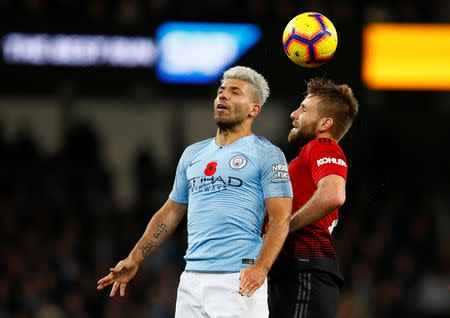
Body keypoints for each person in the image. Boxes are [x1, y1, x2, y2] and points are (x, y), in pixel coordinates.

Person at [97, 66, 293, 318]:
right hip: (192, 280)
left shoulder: (266, 154)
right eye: (221, 91)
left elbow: (281, 217)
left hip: (238, 278)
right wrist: (135, 258)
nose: (223, 96)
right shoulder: (193, 154)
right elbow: (170, 212)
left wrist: (261, 268)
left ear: (254, 109)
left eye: (235, 92)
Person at [267, 78, 359, 318]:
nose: (293, 114)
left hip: (304, 270)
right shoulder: (308, 157)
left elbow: (333, 195)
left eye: (304, 109)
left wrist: (282, 227)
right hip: (294, 272)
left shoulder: (323, 145)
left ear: (325, 123)